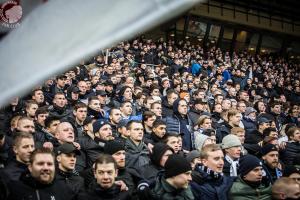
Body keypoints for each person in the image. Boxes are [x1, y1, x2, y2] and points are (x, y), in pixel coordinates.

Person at [7, 148, 75, 200]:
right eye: (40, 163)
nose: (46, 168)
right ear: (30, 167)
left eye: (49, 164)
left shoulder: (64, 189)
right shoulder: (15, 190)